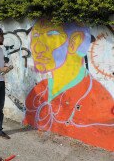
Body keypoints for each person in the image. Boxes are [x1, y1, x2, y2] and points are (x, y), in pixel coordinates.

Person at [23, 19, 114, 151]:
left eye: (51, 34)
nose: (37, 47)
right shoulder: (37, 92)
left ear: (75, 41)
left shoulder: (100, 105)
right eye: (35, 36)